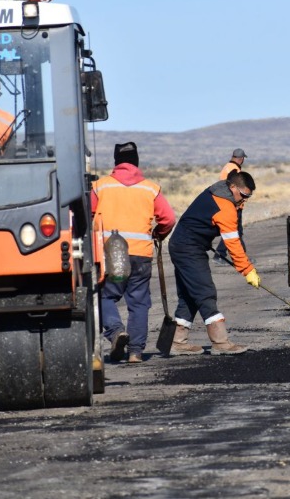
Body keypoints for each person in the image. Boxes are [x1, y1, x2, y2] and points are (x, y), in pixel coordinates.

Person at [91, 142, 176, 363]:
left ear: (116, 161)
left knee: (104, 296)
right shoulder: (150, 188)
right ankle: (136, 352)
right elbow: (168, 218)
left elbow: (86, 215)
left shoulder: (100, 186)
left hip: (111, 255)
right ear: (136, 161)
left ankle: (116, 331)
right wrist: (158, 235)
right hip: (141, 255)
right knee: (138, 302)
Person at [168, 170, 260, 355]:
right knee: (205, 292)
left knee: (189, 295)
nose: (244, 200)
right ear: (232, 187)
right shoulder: (224, 206)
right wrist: (247, 270)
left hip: (185, 245)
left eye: (248, 197)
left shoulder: (218, 191)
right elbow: (233, 243)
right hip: (187, 248)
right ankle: (220, 342)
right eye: (243, 195)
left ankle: (177, 342)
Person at [214, 148, 248, 265]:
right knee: (233, 230)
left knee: (236, 231)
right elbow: (233, 187)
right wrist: (238, 202)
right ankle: (220, 255)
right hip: (233, 204)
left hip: (226, 202)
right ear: (241, 158)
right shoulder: (234, 169)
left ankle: (240, 257)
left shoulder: (227, 167)